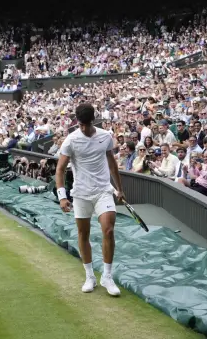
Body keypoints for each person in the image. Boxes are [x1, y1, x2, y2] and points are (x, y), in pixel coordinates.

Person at [55, 103, 125, 297]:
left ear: (92, 120)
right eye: (81, 125)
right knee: (83, 233)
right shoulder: (71, 140)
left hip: (103, 191)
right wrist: (62, 196)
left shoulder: (105, 136)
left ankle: (107, 276)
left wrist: (119, 189)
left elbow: (112, 163)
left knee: (108, 229)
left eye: (86, 124)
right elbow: (60, 170)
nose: (84, 128)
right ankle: (89, 276)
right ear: (77, 122)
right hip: (81, 194)